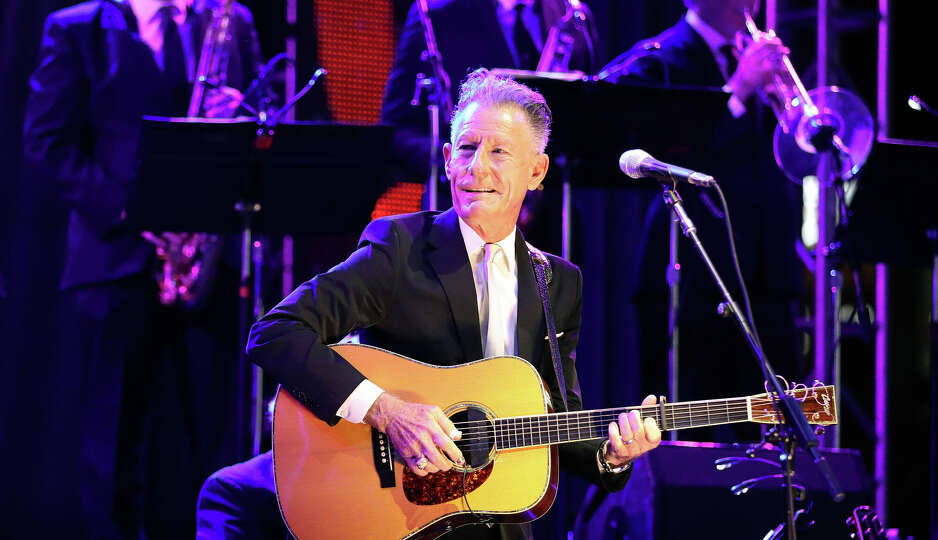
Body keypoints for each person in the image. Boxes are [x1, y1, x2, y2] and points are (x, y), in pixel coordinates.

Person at [246, 68, 661, 539]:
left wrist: (612, 455)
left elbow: (554, 418)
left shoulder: (557, 281)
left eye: (499, 151)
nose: (476, 166)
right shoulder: (398, 247)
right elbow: (276, 333)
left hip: (498, 520)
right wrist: (386, 410)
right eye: (466, 148)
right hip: (401, 514)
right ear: (446, 159)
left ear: (537, 171)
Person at [21, 0, 262, 537]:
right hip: (115, 260)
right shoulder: (77, 27)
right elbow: (46, 142)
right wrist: (129, 210)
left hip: (205, 260)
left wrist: (243, 112)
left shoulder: (227, 20)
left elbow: (263, 124)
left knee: (210, 439)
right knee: (111, 442)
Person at [597, 0, 805, 441]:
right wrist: (738, 90)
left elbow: (793, 160)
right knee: (700, 416)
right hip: (692, 269)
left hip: (765, 270)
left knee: (773, 417)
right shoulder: (660, 59)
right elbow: (659, 156)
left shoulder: (756, 63)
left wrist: (788, 112)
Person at [382, 0, 599, 184]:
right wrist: (464, 163)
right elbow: (398, 130)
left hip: (555, 218)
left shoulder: (572, 14)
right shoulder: (435, 13)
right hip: (465, 211)